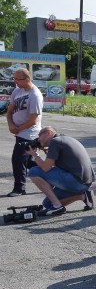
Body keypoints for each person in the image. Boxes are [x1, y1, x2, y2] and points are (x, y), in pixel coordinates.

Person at [25, 126, 96, 216]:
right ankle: (82, 196)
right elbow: (54, 167)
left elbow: (46, 168)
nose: (38, 140)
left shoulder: (55, 142)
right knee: (47, 204)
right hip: (83, 183)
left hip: (76, 182)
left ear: (48, 133)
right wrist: (46, 149)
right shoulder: (65, 139)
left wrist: (35, 155)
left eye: (39, 136)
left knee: (33, 171)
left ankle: (57, 206)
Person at [6, 68, 42, 197]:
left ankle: (19, 188)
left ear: (27, 79)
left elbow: (33, 120)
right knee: (29, 161)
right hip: (19, 132)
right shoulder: (17, 91)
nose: (15, 82)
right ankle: (51, 178)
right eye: (14, 79)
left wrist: (18, 128)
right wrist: (11, 124)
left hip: (29, 133)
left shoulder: (35, 95)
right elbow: (9, 110)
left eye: (17, 79)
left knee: (18, 160)